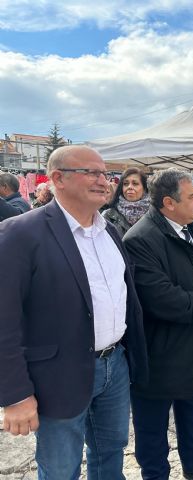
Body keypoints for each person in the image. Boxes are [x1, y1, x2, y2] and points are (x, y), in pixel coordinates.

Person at [0, 145, 147, 478]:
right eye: (91, 172)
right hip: (57, 374)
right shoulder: (21, 234)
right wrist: (16, 394)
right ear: (57, 179)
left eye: (105, 173)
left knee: (110, 454)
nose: (104, 180)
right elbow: (3, 321)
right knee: (60, 468)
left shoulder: (109, 231)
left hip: (115, 366)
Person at [123, 168, 193, 480]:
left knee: (192, 410)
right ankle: (156, 473)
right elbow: (162, 299)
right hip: (158, 352)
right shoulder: (141, 240)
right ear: (169, 203)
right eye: (192, 197)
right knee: (152, 426)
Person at [102, 167, 150, 238]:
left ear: (144, 188)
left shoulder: (154, 214)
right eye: (125, 184)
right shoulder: (108, 215)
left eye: (135, 183)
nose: (130, 187)